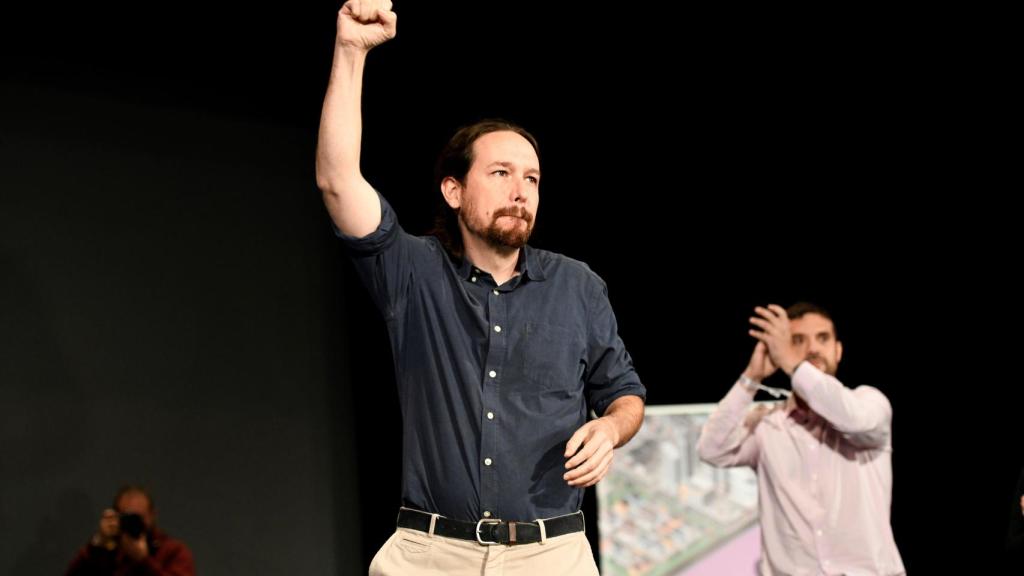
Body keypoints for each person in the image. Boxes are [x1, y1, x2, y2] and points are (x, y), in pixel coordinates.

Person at [315, 1, 646, 573]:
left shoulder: (577, 286)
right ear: (452, 190)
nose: (521, 190)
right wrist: (350, 52)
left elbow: (625, 391)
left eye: (532, 178)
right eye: (500, 173)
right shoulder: (413, 274)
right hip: (431, 555)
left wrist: (611, 428)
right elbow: (337, 179)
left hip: (550, 554)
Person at [697, 302, 904, 575]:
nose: (812, 349)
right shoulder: (768, 424)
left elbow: (853, 419)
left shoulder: (870, 402)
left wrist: (793, 362)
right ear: (778, 351)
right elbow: (712, 449)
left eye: (822, 338)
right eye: (797, 340)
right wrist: (752, 377)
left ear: (838, 350)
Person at [65, 485, 195, 576]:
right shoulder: (108, 552)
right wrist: (98, 544)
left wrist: (143, 561)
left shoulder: (173, 551)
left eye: (139, 517)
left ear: (152, 515)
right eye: (127, 517)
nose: (134, 523)